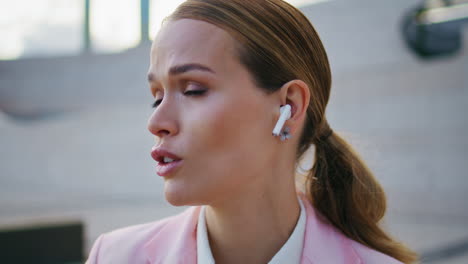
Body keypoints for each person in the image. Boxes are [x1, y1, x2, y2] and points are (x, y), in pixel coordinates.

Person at [86, 0, 417, 263]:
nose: (156, 121)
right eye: (156, 97)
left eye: (193, 89)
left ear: (288, 106)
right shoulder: (114, 257)